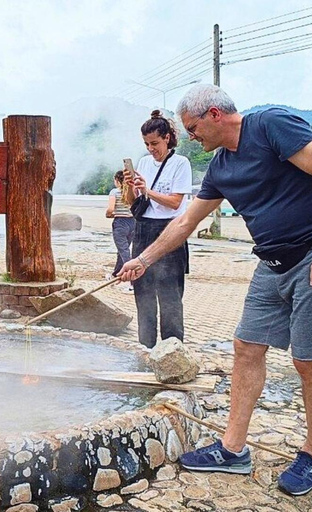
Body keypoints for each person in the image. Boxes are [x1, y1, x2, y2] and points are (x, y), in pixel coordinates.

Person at [118, 85, 312, 495]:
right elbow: (185, 223)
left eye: (192, 128)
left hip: (309, 257)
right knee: (246, 346)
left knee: (307, 362)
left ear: (214, 114)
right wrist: (143, 260)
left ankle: (311, 457)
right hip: (272, 263)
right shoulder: (221, 167)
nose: (191, 137)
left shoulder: (271, 124)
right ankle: (232, 450)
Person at [123, 110, 192, 349]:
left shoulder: (180, 163)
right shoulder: (143, 162)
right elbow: (134, 202)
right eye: (146, 144)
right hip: (143, 229)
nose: (151, 148)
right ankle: (145, 348)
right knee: (143, 293)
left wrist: (148, 190)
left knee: (170, 295)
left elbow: (175, 202)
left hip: (170, 230)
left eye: (154, 143)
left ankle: (172, 350)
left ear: (167, 138)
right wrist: (131, 186)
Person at [106, 170, 135, 292]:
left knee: (124, 251)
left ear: (117, 181)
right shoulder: (132, 192)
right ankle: (115, 275)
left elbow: (110, 209)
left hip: (120, 224)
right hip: (133, 223)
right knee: (123, 250)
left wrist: (109, 214)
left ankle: (133, 282)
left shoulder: (115, 192)